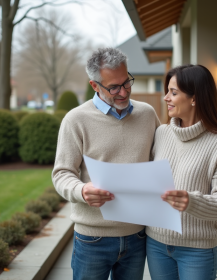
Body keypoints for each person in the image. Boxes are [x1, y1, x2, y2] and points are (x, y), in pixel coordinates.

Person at [52, 47, 160, 280]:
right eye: (113, 87)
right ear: (94, 85)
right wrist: (81, 190)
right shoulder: (75, 120)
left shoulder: (148, 114)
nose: (123, 92)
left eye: (127, 82)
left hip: (138, 235)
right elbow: (61, 174)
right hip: (93, 239)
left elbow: (162, 161)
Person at [146, 64, 217, 280]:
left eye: (174, 92)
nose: (166, 98)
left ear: (194, 98)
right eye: (167, 91)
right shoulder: (161, 133)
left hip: (196, 249)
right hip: (156, 244)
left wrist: (191, 201)